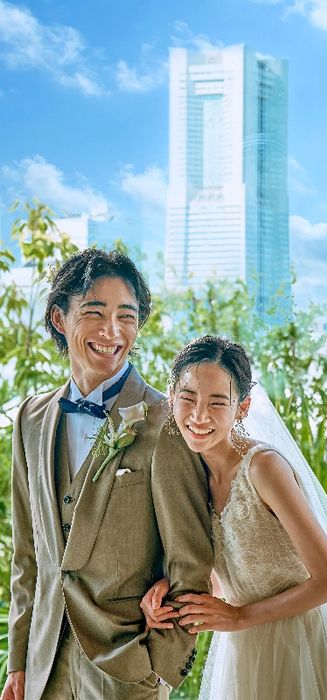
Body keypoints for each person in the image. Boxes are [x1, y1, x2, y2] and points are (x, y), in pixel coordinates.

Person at [141, 335, 327, 700]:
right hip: (246, 650)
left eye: (217, 402)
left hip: (302, 645)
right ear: (171, 397)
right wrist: (171, 593)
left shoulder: (263, 468)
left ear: (242, 408)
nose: (199, 415)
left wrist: (239, 617)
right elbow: (238, 570)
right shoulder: (192, 473)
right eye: (188, 398)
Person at [2, 249, 214, 700]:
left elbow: (190, 561)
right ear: (59, 318)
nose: (112, 331)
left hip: (127, 671)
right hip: (42, 669)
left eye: (126, 316)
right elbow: (28, 556)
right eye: (94, 313)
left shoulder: (165, 423)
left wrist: (158, 668)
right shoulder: (30, 419)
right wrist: (18, 663)